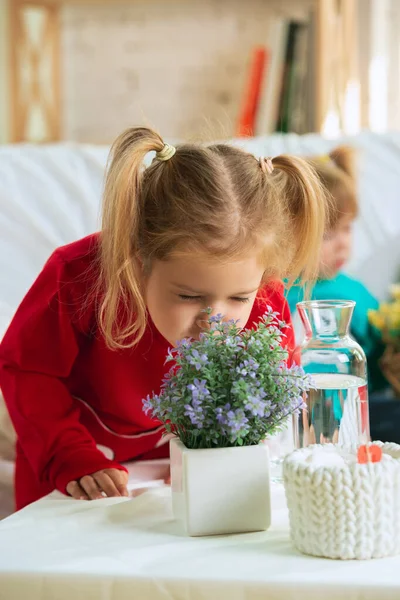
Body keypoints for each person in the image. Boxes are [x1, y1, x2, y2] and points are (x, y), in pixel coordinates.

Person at [0, 128, 328, 509]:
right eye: (189, 296)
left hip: (184, 469)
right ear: (140, 262)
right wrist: (70, 455)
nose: (216, 320)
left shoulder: (265, 295)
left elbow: (273, 389)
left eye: (239, 298)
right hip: (73, 466)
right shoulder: (79, 275)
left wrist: (215, 449)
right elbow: (28, 370)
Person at [286, 146, 387, 393]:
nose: (343, 244)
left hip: (363, 407)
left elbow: (381, 359)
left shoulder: (355, 292)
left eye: (347, 229)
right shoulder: (280, 293)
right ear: (287, 236)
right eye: (328, 235)